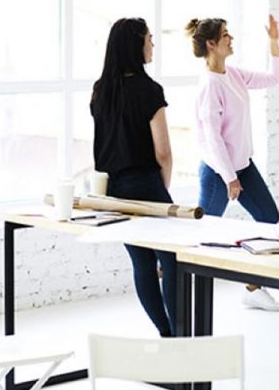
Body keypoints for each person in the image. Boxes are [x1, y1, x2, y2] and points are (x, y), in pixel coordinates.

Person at [188, 15, 279, 312]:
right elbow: (213, 138)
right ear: (211, 44)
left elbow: (274, 78)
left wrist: (274, 42)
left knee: (270, 221)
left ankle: (253, 289)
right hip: (218, 173)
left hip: (243, 166)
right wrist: (230, 177)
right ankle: (177, 282)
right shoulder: (209, 85)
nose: (231, 39)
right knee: (203, 233)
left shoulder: (233, 74)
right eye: (225, 35)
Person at [90, 18, 176, 337]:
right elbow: (163, 152)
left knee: (142, 263)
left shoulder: (101, 91)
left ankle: (166, 333)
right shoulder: (149, 90)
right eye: (149, 39)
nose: (152, 45)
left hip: (114, 191)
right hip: (147, 184)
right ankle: (181, 336)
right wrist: (162, 189)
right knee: (172, 261)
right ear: (135, 45)